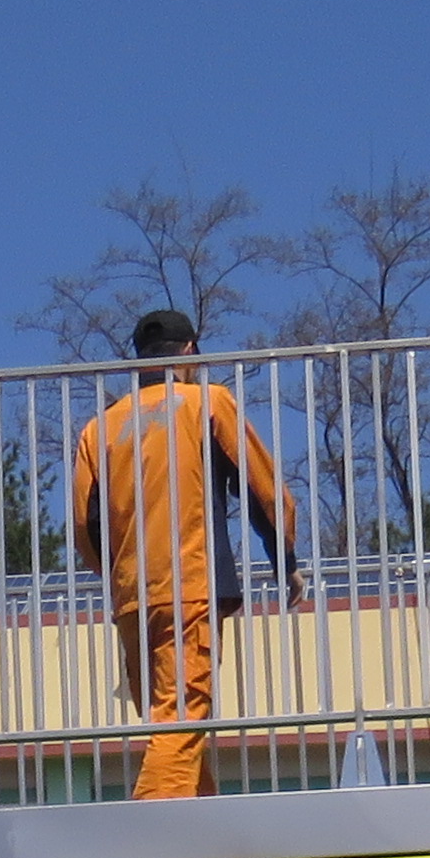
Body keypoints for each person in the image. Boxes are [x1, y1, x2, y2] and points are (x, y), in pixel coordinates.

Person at [72, 303, 292, 800]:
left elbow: (86, 523)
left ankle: (201, 827)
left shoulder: (100, 427)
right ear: (190, 351)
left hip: (132, 599)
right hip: (188, 587)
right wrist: (285, 559)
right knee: (181, 719)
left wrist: (119, 576)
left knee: (171, 725)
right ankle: (149, 834)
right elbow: (261, 487)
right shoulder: (207, 402)